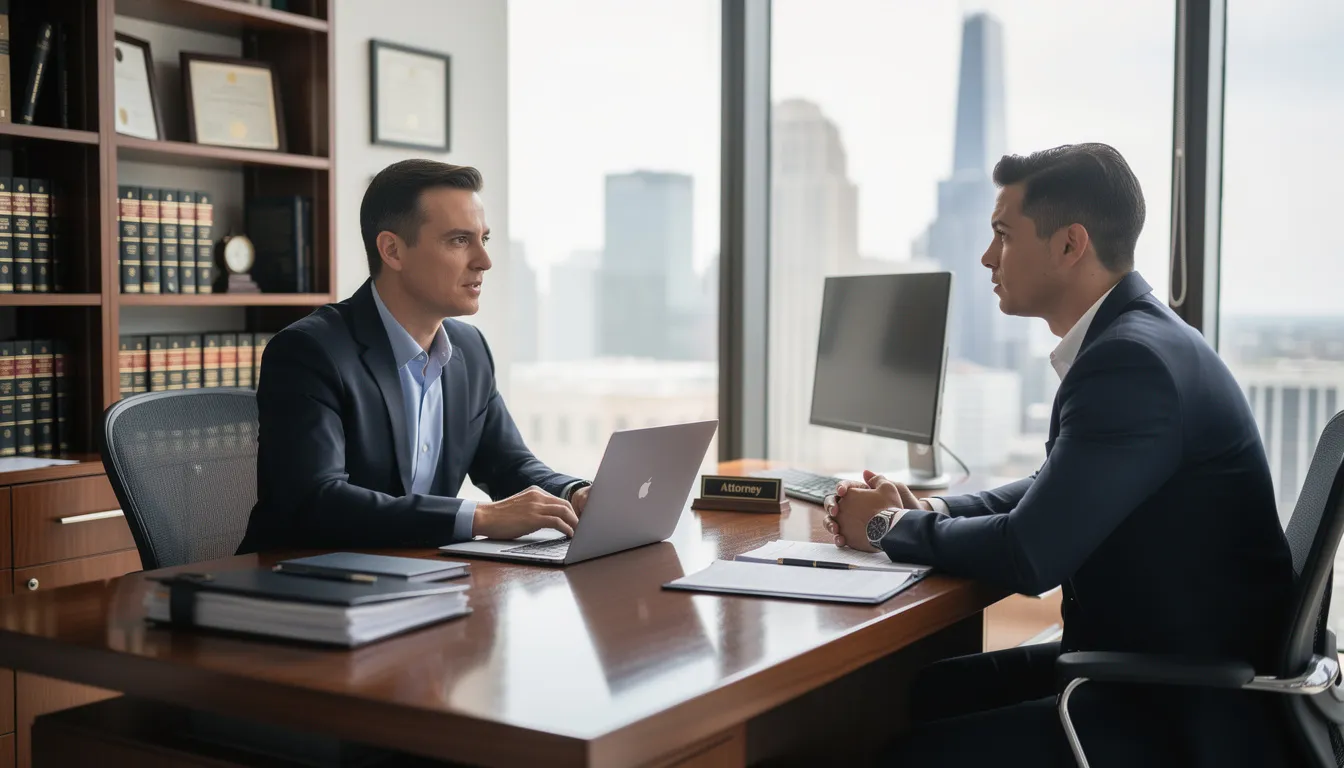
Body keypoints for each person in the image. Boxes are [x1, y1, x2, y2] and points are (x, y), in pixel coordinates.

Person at [822, 143, 1294, 767]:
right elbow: (1053, 487)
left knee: (909, 754)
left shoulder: (1131, 362)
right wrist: (930, 510)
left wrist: (889, 527)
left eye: (1003, 235)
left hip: (1182, 709)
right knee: (927, 691)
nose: (987, 256)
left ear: (1070, 244)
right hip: (1159, 665)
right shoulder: (1137, 338)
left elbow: (1030, 552)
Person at [237, 160, 590, 554]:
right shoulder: (309, 351)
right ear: (392, 250)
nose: (484, 261)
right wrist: (478, 517)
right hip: (301, 577)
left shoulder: (470, 350)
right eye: (459, 240)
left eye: (484, 239)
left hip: (416, 572)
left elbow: (509, 465)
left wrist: (574, 493)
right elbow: (317, 501)